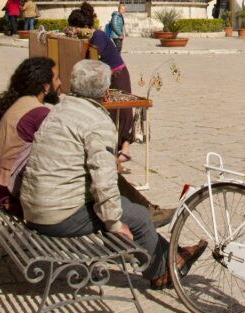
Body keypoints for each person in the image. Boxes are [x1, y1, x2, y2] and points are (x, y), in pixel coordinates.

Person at [21, 60, 206, 289]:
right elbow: (104, 181)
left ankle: (172, 254)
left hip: (36, 206)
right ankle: (161, 272)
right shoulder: (97, 121)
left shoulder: (60, 109)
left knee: (129, 207)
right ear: (106, 92)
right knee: (139, 216)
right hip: (57, 214)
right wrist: (114, 223)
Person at [0, 57, 60, 214]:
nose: (60, 83)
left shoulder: (18, 102)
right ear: (46, 87)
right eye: (57, 79)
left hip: (0, 184)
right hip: (12, 191)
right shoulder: (39, 113)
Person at [69, 8, 135, 168]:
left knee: (123, 110)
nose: (74, 30)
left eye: (75, 27)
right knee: (108, 113)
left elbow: (93, 57)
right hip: (105, 77)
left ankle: (125, 148)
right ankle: (111, 149)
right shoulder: (89, 37)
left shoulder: (97, 35)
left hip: (118, 74)